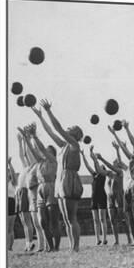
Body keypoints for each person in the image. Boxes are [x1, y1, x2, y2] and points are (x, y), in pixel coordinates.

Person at [39, 99, 83, 252]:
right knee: (65, 219)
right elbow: (51, 132)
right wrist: (41, 117)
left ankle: (76, 247)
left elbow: (58, 129)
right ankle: (72, 246)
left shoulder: (74, 145)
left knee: (72, 217)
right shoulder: (63, 146)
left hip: (70, 180)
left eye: (71, 128)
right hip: (60, 180)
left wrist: (49, 111)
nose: (68, 128)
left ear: (76, 134)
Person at [97, 149, 130, 244]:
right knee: (112, 220)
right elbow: (99, 171)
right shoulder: (109, 174)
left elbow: (109, 166)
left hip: (119, 197)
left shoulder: (120, 172)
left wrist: (102, 158)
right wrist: (95, 160)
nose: (114, 164)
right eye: (114, 162)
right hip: (110, 198)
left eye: (116, 163)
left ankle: (129, 239)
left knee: (123, 220)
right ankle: (116, 240)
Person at [81, 147, 109, 245]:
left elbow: (95, 165)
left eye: (101, 167)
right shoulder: (94, 175)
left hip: (102, 196)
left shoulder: (104, 174)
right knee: (95, 220)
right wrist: (83, 155)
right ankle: (97, 239)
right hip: (94, 198)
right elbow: (88, 166)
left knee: (102, 219)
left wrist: (93, 156)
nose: (99, 167)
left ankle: (105, 238)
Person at [14, 129, 35, 251]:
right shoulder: (24, 167)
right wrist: (19, 141)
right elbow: (21, 155)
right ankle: (27, 243)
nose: (26, 158)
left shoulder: (32, 166)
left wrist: (26, 139)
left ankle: (30, 242)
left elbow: (27, 154)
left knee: (27, 220)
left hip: (26, 192)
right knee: (23, 220)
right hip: (19, 192)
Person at [6, 157, 17, 251]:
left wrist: (9, 164)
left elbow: (13, 175)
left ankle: (9, 247)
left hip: (10, 203)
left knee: (10, 228)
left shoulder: (12, 183)